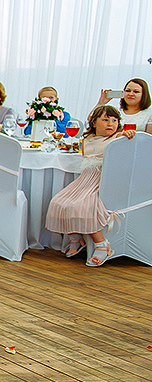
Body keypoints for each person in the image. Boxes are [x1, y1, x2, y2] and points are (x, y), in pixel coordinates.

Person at [45, 105, 133, 266]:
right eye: (105, 120)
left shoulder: (117, 138)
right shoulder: (87, 139)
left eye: (114, 120)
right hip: (85, 179)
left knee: (83, 206)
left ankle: (102, 244)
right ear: (93, 122)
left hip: (101, 179)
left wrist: (126, 134)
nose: (110, 124)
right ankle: (76, 238)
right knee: (59, 202)